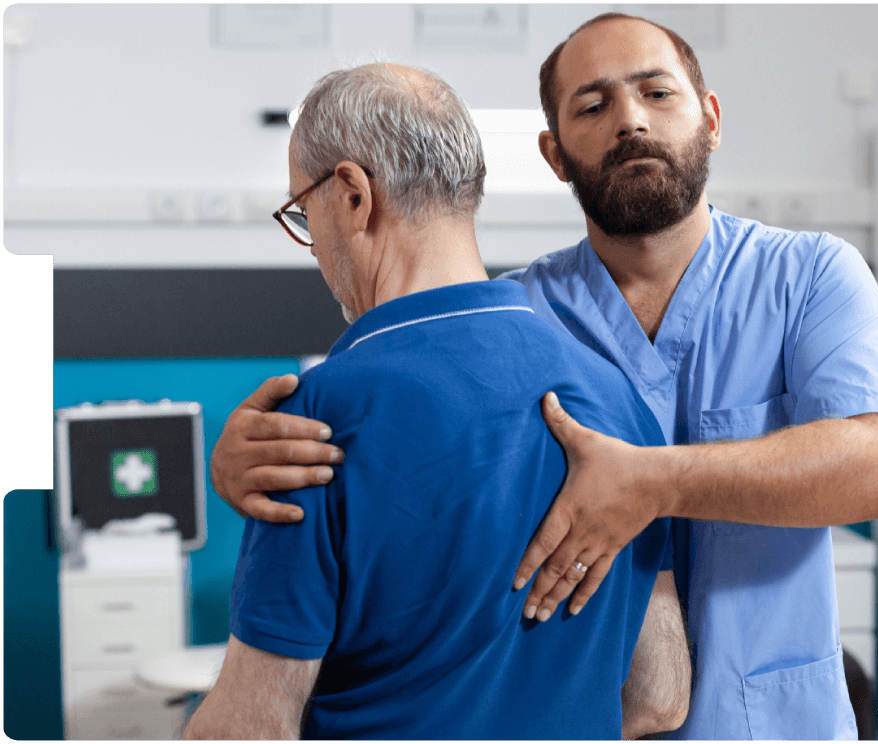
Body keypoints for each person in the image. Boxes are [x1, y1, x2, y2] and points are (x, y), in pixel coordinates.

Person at [210, 14, 878, 740]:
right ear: (553, 154)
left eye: (656, 93)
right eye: (593, 105)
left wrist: (653, 480)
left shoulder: (810, 278)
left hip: (769, 719)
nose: (631, 121)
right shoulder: (523, 318)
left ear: (709, 119)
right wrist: (248, 462)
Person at [181, 62, 686, 741]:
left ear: (354, 195)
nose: (314, 246)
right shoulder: (619, 401)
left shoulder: (314, 427)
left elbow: (249, 727)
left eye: (305, 213)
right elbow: (660, 696)